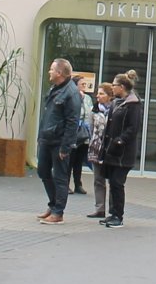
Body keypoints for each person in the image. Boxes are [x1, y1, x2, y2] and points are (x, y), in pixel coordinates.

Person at [35, 58, 82, 225]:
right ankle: (53, 204)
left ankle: (58, 212)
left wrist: (66, 146)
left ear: (59, 73)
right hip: (47, 139)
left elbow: (72, 121)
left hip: (59, 141)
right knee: (43, 171)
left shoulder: (71, 93)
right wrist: (41, 136)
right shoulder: (55, 88)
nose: (49, 72)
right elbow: (48, 115)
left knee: (60, 177)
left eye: (52, 69)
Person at [97, 70, 142, 228]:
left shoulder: (133, 104)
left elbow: (133, 127)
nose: (112, 87)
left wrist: (120, 140)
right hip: (112, 151)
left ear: (122, 87)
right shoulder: (116, 102)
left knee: (117, 182)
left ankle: (118, 215)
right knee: (112, 182)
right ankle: (112, 213)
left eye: (114, 85)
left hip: (123, 153)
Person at [84, 83, 114, 219]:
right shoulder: (93, 111)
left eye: (102, 93)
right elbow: (90, 129)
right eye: (98, 93)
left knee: (113, 180)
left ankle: (113, 211)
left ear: (109, 96)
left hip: (110, 149)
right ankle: (99, 208)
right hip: (96, 148)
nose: (98, 96)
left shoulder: (115, 109)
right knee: (98, 179)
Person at [71, 84, 92, 195]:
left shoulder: (87, 98)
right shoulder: (72, 96)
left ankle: (78, 184)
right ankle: (65, 185)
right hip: (74, 132)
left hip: (84, 133)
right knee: (70, 160)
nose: (84, 86)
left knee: (79, 161)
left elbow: (90, 112)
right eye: (82, 84)